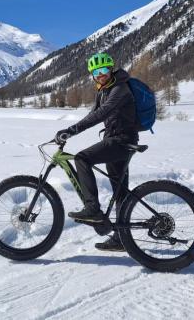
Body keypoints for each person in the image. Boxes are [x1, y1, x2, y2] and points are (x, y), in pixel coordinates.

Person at [55, 53, 138, 252]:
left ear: (111, 69)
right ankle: (121, 238)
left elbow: (103, 113)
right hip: (114, 140)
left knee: (82, 158)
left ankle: (92, 208)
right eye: (96, 72)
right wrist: (70, 130)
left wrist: (72, 130)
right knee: (120, 192)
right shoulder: (104, 90)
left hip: (122, 141)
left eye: (104, 70)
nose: (100, 75)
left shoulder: (120, 88)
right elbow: (93, 113)